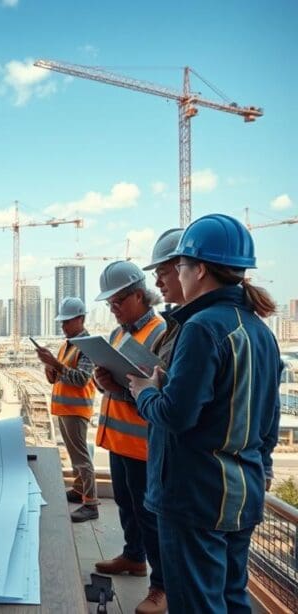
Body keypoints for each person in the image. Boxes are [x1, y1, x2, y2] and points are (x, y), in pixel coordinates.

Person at [128, 214, 282, 613]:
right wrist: (261, 467)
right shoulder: (259, 330)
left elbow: (176, 415)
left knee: (197, 603)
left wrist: (145, 391)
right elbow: (268, 419)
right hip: (240, 494)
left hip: (194, 496)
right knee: (232, 599)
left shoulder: (201, 328)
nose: (173, 275)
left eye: (179, 265)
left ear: (198, 269)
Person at [92, 260, 167, 614]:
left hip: (143, 443)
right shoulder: (118, 333)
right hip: (119, 441)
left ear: (140, 295)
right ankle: (134, 557)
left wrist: (120, 390)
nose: (113, 309)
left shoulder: (160, 333)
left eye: (118, 301)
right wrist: (101, 380)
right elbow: (115, 382)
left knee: (148, 515)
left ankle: (160, 587)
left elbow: (160, 393)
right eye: (109, 304)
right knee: (125, 504)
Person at [36, 297, 99, 522]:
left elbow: (81, 378)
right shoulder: (67, 344)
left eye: (67, 321)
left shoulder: (88, 346)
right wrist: (49, 365)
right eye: (61, 322)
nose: (62, 326)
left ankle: (91, 504)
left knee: (81, 457)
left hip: (76, 409)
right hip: (64, 408)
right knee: (75, 455)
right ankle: (79, 490)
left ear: (81, 319)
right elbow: (57, 377)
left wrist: (55, 363)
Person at [143, 228, 185, 367]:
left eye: (163, 273)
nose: (157, 282)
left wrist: (146, 388)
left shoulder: (198, 327)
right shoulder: (174, 326)